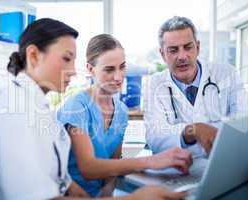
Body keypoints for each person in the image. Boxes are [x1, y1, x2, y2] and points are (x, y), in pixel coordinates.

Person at [0, 18, 186, 200]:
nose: (72, 71)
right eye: (66, 59)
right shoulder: (16, 112)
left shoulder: (38, 105)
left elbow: (61, 179)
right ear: (33, 55)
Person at [58, 33, 192, 197]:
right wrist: (151, 162)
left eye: (122, 67)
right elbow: (88, 168)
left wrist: (107, 193)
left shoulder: (121, 111)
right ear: (90, 69)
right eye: (109, 70)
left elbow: (113, 164)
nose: (118, 77)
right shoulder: (76, 108)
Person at [144, 16, 247, 156]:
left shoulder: (227, 74)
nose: (182, 56)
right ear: (162, 54)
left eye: (187, 47)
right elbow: (154, 139)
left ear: (197, 48)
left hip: (224, 160)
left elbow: (245, 125)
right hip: (178, 170)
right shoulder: (154, 85)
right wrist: (192, 131)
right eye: (173, 50)